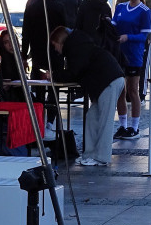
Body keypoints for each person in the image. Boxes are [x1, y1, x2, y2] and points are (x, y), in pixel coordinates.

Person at [49, 27, 124, 167]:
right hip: (107, 79)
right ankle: (90, 154)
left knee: (104, 120)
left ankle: (101, 157)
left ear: (60, 42)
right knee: (92, 116)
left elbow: (75, 72)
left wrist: (54, 75)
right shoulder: (79, 44)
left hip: (108, 80)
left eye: (55, 45)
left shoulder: (75, 48)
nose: (56, 50)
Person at [111, 0, 151, 140]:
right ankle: (123, 125)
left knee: (133, 90)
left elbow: (144, 36)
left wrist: (129, 37)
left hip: (134, 54)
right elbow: (113, 25)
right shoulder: (120, 7)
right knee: (121, 90)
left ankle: (134, 127)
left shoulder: (144, 11)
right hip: (119, 54)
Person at [22, 0, 66, 79]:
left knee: (38, 85)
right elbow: (64, 31)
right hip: (56, 53)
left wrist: (24, 56)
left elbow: (26, 33)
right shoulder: (59, 7)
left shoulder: (31, 8)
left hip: (37, 53)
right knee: (54, 84)